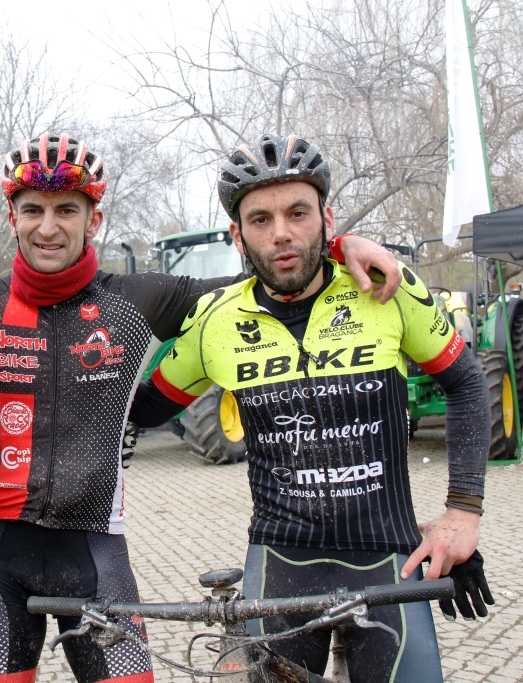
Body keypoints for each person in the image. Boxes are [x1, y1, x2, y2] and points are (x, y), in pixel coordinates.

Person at [0, 133, 404, 683]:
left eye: (67, 209)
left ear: (95, 218)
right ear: (12, 217)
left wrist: (340, 244)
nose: (48, 227)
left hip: (96, 554)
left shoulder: (141, 298)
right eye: (33, 210)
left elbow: (270, 278)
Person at [129, 133, 494, 682]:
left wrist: (462, 514)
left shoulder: (386, 287)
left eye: (297, 213)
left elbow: (465, 382)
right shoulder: (215, 321)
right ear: (237, 234)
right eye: (260, 220)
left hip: (387, 557)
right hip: (281, 562)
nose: (281, 233)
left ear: (326, 219)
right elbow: (143, 409)